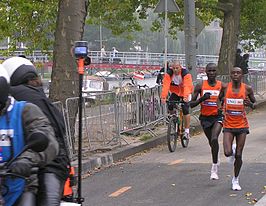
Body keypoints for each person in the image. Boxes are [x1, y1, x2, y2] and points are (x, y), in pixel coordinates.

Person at [2, 57, 70, 205]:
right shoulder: (40, 96)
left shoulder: (19, 101)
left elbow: (47, 137)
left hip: (49, 162)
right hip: (21, 163)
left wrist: (27, 159)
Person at [218, 67, 256, 191]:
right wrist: (221, 106)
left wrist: (249, 104)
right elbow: (219, 99)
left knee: (239, 155)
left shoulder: (247, 89)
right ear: (230, 75)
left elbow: (254, 104)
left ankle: (235, 179)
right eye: (233, 73)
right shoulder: (225, 87)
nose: (235, 75)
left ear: (242, 75)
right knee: (227, 153)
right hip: (228, 125)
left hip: (242, 126)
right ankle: (233, 150)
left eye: (238, 73)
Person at [190, 63, 226, 180]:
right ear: (206, 72)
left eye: (213, 71)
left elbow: (226, 99)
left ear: (217, 72)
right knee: (212, 143)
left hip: (217, 117)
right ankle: (216, 156)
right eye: (209, 71)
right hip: (205, 118)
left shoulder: (222, 86)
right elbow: (191, 104)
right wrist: (202, 99)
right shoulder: (200, 85)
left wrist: (223, 106)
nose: (211, 73)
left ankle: (214, 168)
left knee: (214, 138)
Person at [161, 60, 193, 139]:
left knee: (185, 109)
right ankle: (173, 118)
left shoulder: (186, 74)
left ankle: (187, 131)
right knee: (170, 105)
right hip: (175, 92)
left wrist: (185, 97)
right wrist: (163, 97)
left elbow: (187, 86)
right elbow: (165, 86)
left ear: (180, 67)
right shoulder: (169, 74)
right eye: (174, 68)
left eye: (177, 68)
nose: (175, 70)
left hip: (185, 93)